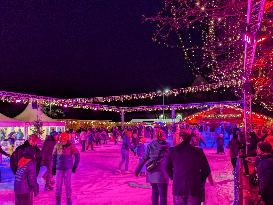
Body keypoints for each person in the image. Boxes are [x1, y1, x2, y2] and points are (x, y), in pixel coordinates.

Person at [166, 129, 211, 205]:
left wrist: (173, 177)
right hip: (194, 187)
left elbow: (167, 167)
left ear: (180, 139)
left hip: (178, 187)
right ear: (190, 139)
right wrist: (199, 179)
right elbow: (206, 170)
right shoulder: (198, 151)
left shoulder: (173, 151)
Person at [135, 127, 169, 205]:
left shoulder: (151, 145)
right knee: (163, 196)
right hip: (162, 173)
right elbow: (170, 159)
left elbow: (145, 158)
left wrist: (138, 169)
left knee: (155, 193)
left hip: (152, 171)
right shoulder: (167, 146)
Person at [52, 132, 80, 205]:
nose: (62, 142)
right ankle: (58, 200)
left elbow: (77, 155)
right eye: (61, 140)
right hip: (59, 169)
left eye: (64, 140)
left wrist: (75, 166)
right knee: (58, 185)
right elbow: (54, 157)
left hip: (68, 169)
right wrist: (53, 167)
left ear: (67, 139)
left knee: (68, 185)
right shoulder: (57, 146)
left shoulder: (71, 146)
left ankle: (68, 199)